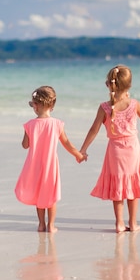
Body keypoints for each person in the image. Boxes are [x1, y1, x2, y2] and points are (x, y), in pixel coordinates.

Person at [80, 65, 140, 233]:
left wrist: (83, 150)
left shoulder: (104, 107)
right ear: (129, 86)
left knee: (118, 185)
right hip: (132, 150)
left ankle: (119, 223)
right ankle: (133, 223)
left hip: (114, 151)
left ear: (108, 84)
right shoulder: (134, 104)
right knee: (132, 184)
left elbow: (93, 129)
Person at [15, 86, 84, 232]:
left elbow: (25, 145)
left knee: (39, 195)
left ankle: (41, 224)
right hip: (51, 166)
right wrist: (78, 154)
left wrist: (28, 134)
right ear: (52, 106)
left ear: (35, 105)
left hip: (34, 166)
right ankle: (51, 225)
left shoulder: (30, 125)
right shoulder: (57, 124)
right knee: (50, 196)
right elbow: (66, 143)